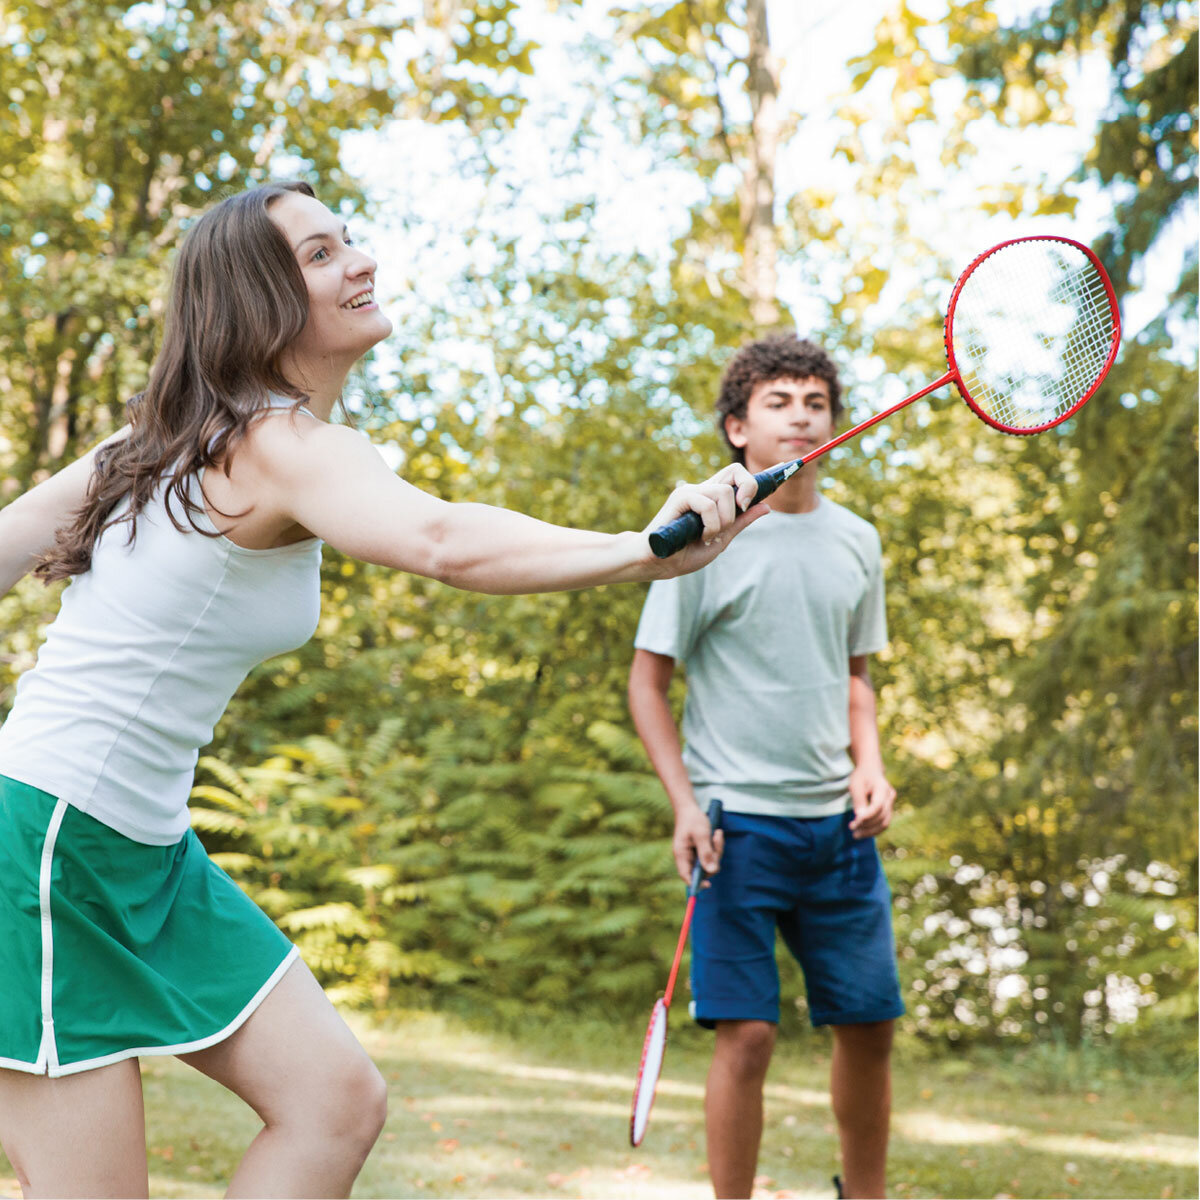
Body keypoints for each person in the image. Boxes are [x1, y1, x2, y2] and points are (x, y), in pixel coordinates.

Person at [0, 180, 766, 1199]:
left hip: (146, 853)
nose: (359, 260)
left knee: (335, 1102)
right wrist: (637, 553)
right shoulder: (249, 447)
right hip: (47, 853)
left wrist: (639, 550)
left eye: (347, 241)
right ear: (256, 301)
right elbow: (441, 540)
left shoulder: (189, 445)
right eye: (320, 255)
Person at [628, 334, 904, 1200]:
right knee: (745, 1035)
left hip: (840, 832)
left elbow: (856, 676)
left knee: (869, 1028)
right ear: (737, 428)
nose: (801, 416)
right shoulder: (704, 542)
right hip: (733, 828)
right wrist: (683, 804)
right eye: (779, 403)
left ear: (834, 423)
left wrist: (872, 764)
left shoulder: (857, 541)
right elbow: (647, 684)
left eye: (816, 402)